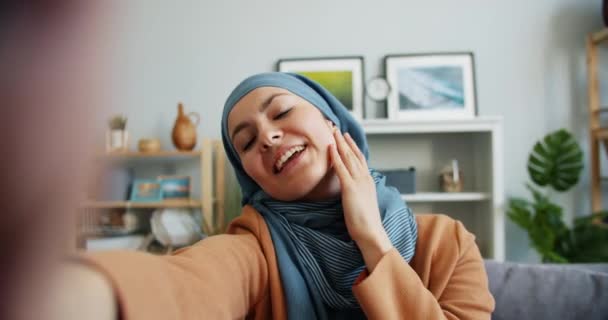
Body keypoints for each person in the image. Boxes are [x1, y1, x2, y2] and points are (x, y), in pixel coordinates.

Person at [64, 72, 495, 320]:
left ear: (332, 123)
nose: (267, 137)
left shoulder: (448, 244)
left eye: (283, 112)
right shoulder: (254, 249)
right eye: (246, 143)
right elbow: (189, 284)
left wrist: (372, 240)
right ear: (252, 178)